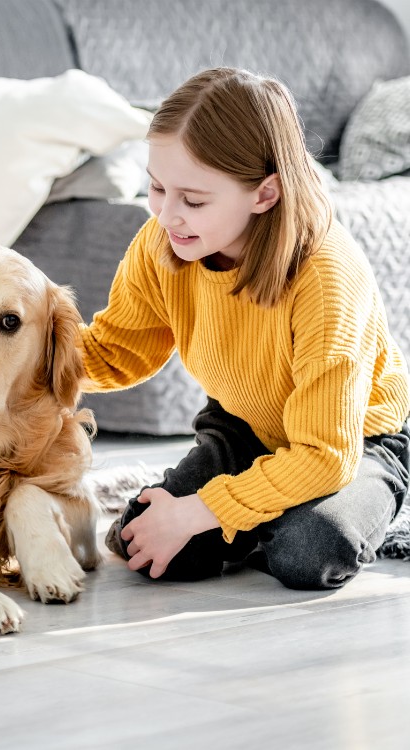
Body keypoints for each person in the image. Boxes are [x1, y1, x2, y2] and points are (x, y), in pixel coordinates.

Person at [79, 67, 410, 589]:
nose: (167, 215)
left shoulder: (325, 277)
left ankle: (334, 506)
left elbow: (325, 456)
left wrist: (195, 513)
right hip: (247, 426)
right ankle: (263, 510)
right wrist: (18, 354)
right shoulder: (162, 242)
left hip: (354, 440)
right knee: (141, 544)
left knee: (308, 551)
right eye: (157, 187)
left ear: (265, 194)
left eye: (193, 199)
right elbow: (115, 352)